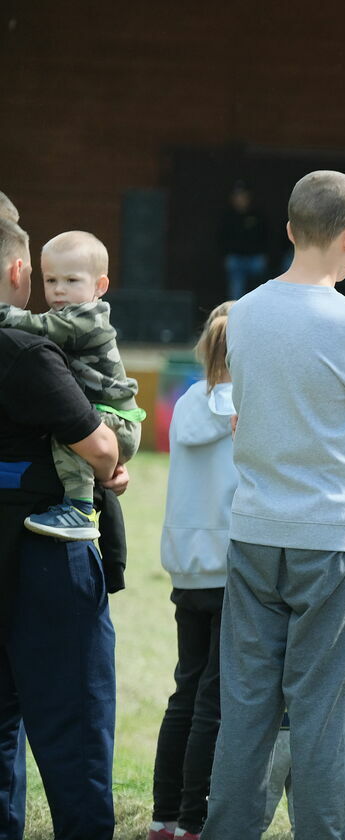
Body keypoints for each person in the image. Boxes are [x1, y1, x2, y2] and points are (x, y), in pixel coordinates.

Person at [199, 170, 345, 840]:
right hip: (334, 536)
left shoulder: (246, 311)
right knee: (321, 705)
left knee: (248, 702)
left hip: (256, 528)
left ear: (289, 231)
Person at [0, 216, 128, 840]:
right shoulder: (25, 349)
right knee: (72, 724)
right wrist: (109, 465)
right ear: (21, 272)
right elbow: (102, 446)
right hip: (43, 555)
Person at [148, 303, 236, 840]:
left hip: (187, 569)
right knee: (214, 699)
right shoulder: (247, 409)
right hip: (232, 568)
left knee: (186, 692)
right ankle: (192, 820)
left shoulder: (184, 404)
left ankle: (164, 816)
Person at [0, 230, 145, 542]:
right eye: (51, 281)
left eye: (71, 281)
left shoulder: (87, 317)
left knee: (67, 432)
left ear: (100, 286)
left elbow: (38, 326)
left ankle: (78, 510)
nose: (59, 290)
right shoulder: (66, 316)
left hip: (115, 417)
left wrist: (4, 313)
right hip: (105, 419)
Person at [220, 183, 268, 300]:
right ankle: (236, 314)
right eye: (237, 196)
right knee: (236, 292)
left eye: (243, 196)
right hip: (235, 258)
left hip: (254, 258)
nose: (240, 199)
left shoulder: (257, 216)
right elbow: (221, 239)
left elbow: (266, 236)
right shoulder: (228, 217)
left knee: (258, 290)